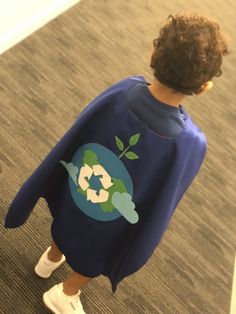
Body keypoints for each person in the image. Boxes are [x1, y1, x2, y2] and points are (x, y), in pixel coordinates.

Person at [5, 13, 229, 314]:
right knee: (98, 247)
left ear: (153, 54)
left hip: (80, 184)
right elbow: (165, 199)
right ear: (204, 87)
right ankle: (65, 294)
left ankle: (52, 257)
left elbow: (81, 131)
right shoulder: (189, 142)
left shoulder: (124, 89)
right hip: (115, 216)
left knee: (72, 213)